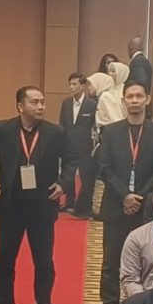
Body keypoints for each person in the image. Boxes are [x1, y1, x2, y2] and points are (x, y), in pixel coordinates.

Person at [0, 85, 66, 304]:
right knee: (5, 258)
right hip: (11, 204)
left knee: (44, 260)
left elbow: (72, 159)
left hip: (42, 204)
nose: (40, 107)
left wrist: (63, 184)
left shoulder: (55, 132)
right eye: (34, 102)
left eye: (42, 102)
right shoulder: (3, 129)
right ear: (20, 106)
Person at [95, 83, 153, 304]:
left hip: (145, 206)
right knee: (111, 260)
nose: (134, 100)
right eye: (130, 96)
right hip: (115, 204)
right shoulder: (111, 131)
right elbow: (104, 168)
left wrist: (139, 198)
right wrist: (125, 195)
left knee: (146, 258)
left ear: (147, 99)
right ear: (123, 100)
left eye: (139, 96)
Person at [58, 73, 102, 220]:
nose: (71, 87)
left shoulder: (92, 104)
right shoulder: (66, 103)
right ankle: (69, 202)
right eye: (70, 84)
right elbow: (62, 124)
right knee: (67, 176)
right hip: (68, 145)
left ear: (82, 86)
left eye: (74, 84)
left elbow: (95, 125)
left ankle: (86, 206)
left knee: (87, 178)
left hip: (85, 147)